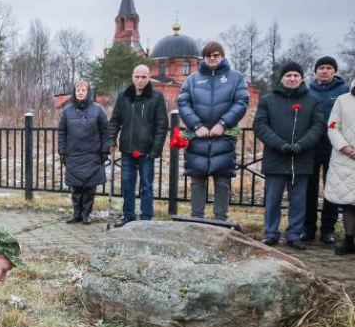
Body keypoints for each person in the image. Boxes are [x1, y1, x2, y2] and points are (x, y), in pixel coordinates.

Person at [253, 62, 325, 250]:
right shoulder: (268, 100)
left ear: (301, 78)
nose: (292, 78)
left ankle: (294, 234)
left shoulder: (312, 101)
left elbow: (318, 127)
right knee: (272, 199)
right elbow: (260, 125)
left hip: (301, 158)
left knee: (298, 201)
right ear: (282, 78)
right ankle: (270, 233)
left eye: (296, 75)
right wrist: (280, 145)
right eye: (288, 75)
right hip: (276, 157)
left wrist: (302, 145)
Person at [178, 41, 250, 222]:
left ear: (222, 57)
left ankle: (220, 222)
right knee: (197, 181)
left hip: (223, 137)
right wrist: (196, 126)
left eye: (216, 55)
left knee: (222, 181)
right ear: (204, 58)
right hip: (198, 137)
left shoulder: (236, 78)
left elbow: (241, 102)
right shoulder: (192, 80)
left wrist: (223, 124)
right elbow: (183, 103)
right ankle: (196, 220)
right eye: (208, 55)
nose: (212, 58)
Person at [108, 65, 169, 227]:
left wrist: (156, 149)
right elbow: (115, 121)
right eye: (137, 77)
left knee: (147, 185)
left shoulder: (156, 98)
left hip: (147, 151)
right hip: (128, 149)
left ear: (149, 77)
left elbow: (162, 125)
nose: (140, 80)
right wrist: (111, 139)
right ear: (132, 77)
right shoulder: (124, 97)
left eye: (143, 77)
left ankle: (146, 218)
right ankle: (128, 215)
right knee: (127, 184)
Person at [303, 56, 350, 244]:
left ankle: (327, 230)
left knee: (331, 189)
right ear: (315, 71)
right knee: (309, 188)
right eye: (321, 68)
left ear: (334, 71)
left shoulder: (344, 90)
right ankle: (308, 228)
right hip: (312, 146)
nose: (324, 71)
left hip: (335, 147)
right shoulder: (308, 90)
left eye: (328, 68)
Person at [58, 80, 112, 224]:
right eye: (78, 90)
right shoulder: (66, 111)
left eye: (83, 90)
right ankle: (77, 214)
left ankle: (87, 214)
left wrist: (105, 150)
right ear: (74, 93)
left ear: (88, 92)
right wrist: (62, 152)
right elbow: (62, 133)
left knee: (89, 187)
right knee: (75, 187)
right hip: (73, 154)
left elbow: (105, 131)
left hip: (92, 154)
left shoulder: (98, 109)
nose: (80, 92)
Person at [325, 80, 355, 255]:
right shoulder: (342, 100)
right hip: (346, 159)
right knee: (349, 202)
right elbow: (332, 126)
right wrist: (346, 148)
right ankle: (349, 240)